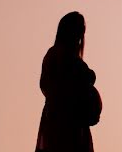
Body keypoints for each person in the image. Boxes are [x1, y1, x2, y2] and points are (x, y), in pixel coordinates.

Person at [36, 12, 98, 152]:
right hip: (64, 121)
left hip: (72, 121)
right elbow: (50, 87)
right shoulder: (59, 56)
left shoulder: (59, 56)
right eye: (79, 28)